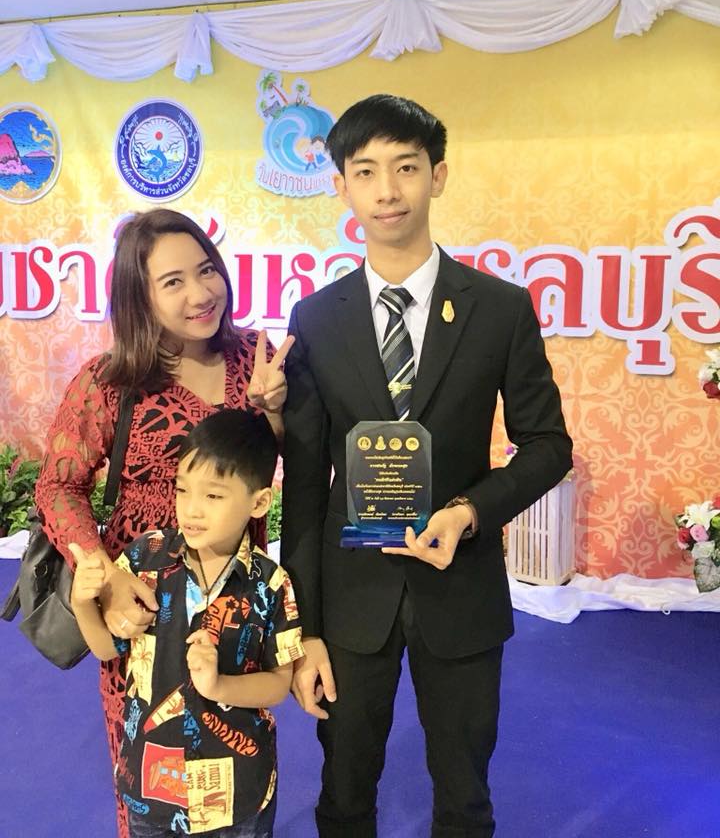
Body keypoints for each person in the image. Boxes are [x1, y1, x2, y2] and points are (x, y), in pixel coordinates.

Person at [280, 94, 573, 837]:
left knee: (465, 794)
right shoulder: (316, 318)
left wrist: (471, 511)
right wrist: (304, 629)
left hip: (461, 585)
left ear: (437, 176)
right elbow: (306, 486)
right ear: (341, 185)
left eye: (406, 168)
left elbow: (548, 445)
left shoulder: (500, 309)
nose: (387, 190)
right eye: (366, 171)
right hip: (351, 597)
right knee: (344, 789)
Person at [35, 208, 294, 838]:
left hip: (235, 602)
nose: (201, 293)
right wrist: (104, 577)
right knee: (146, 767)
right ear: (139, 296)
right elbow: (58, 485)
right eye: (173, 282)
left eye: (206, 271)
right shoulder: (111, 381)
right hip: (140, 607)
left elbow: (285, 465)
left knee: (235, 745)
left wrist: (275, 413)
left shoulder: (255, 361)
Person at [69, 409, 304, 837]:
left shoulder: (271, 584)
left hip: (236, 792)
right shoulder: (144, 558)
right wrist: (82, 601)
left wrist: (219, 686)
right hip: (150, 786)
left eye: (213, 495)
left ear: (258, 502)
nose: (191, 509)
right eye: (182, 490)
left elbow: (277, 684)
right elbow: (106, 648)